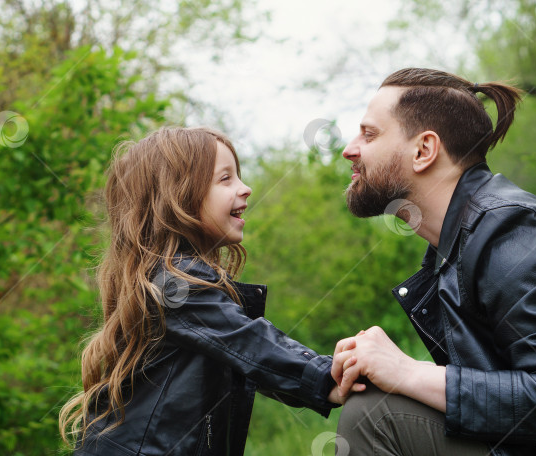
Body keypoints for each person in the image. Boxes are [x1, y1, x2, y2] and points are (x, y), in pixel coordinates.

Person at [331, 68, 536, 455]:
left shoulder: (513, 233)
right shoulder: (454, 245)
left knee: (374, 413)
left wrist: (406, 371)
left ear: (424, 150)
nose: (349, 149)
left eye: (369, 134)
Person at [59, 127, 343, 455]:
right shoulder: (174, 285)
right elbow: (250, 343)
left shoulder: (170, 278)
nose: (245, 188)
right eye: (226, 179)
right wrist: (330, 377)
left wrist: (324, 379)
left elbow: (254, 363)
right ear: (180, 196)